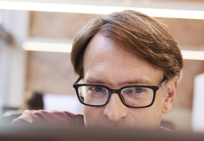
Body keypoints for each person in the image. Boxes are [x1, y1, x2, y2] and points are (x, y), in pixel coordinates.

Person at [12, 10, 183, 130]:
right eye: (98, 89)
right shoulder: (38, 134)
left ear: (168, 95)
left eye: (136, 90)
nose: (113, 114)